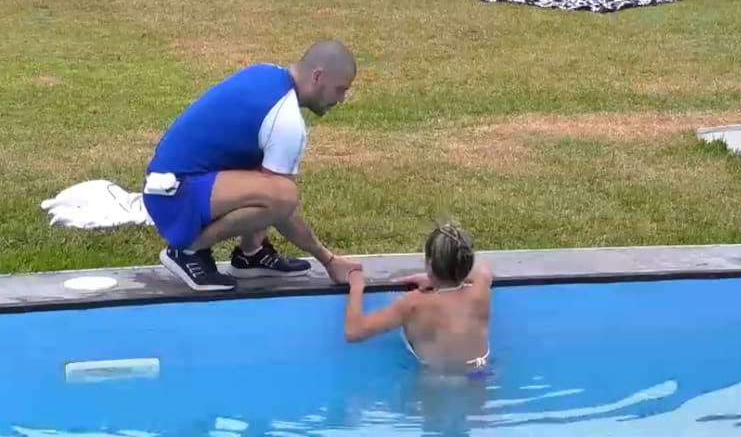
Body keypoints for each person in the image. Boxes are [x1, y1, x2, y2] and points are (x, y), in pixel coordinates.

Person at [142, 39, 362, 292]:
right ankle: (187, 251)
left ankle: (251, 254)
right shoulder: (285, 118)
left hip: (168, 184)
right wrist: (328, 260)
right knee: (283, 195)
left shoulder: (267, 72)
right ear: (317, 76)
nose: (342, 99)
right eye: (340, 89)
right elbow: (282, 208)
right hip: (174, 196)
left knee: (268, 183)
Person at [343, 222, 493, 372]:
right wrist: (439, 276)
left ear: (429, 263)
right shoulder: (480, 293)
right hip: (479, 376)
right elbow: (484, 272)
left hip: (435, 381)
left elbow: (354, 331)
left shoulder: (413, 304)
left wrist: (356, 286)